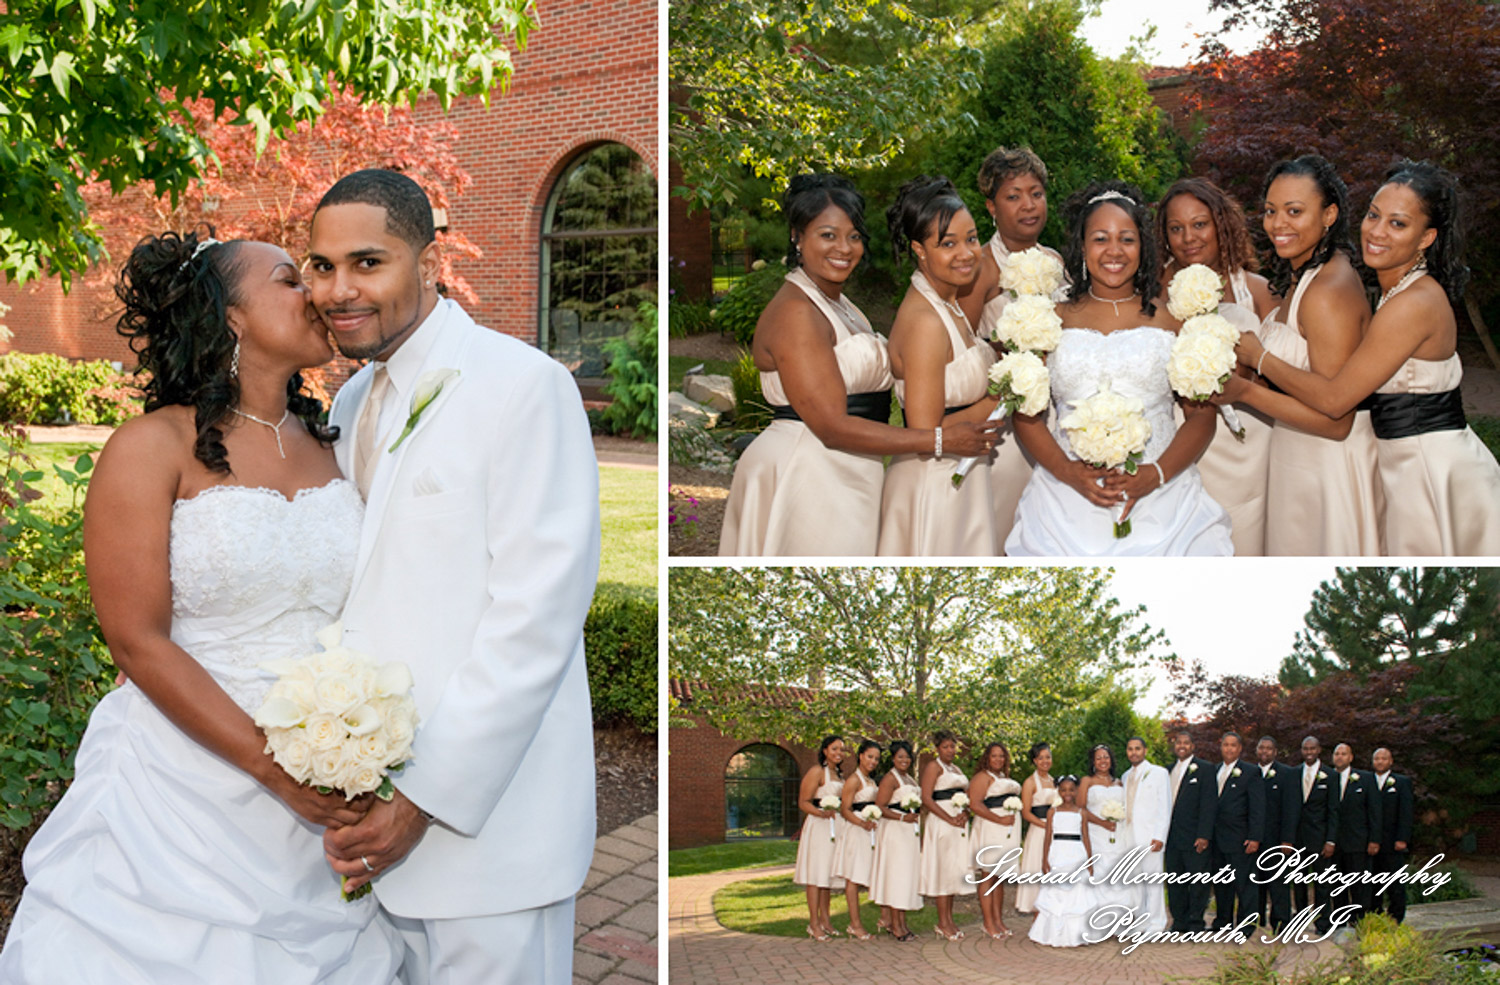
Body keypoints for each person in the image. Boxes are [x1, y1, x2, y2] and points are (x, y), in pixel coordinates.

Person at [0, 230, 404, 982]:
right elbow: (138, 643)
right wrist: (278, 771)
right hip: (180, 789)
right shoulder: (150, 447)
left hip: (330, 771)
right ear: (232, 316)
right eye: (292, 278)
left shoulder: (339, 445)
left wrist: (347, 752)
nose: (318, 290)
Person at [304, 171, 600, 985]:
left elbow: (536, 617)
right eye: (322, 267)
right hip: (365, 830)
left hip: (487, 833)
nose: (340, 289)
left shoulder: (523, 384)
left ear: (428, 263)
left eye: (368, 261)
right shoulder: (353, 396)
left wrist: (424, 797)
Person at [720, 174, 996, 556]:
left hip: (849, 470)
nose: (844, 248)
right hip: (807, 471)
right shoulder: (797, 312)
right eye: (828, 235)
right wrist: (938, 439)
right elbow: (832, 427)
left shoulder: (841, 305)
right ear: (798, 237)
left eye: (853, 236)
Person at [1233, 160, 1500, 555]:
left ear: (1426, 237)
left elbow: (1336, 400)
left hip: (1431, 471)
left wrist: (1259, 358)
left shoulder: (1413, 302)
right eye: (1374, 215)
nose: (1376, 231)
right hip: (1401, 466)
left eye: (1398, 224)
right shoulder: (1399, 293)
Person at [1006, 181, 1233, 556]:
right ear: (1082, 246)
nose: (1114, 251)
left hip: (1164, 497)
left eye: (1127, 239)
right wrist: (1070, 473)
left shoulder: (1172, 320)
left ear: (1143, 248)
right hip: (1065, 500)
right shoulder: (1046, 321)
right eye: (1100, 238)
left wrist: (1154, 475)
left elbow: (1201, 417)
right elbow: (1025, 415)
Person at [1219, 155, 1383, 556]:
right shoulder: (1305, 275)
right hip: (1298, 456)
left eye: (1294, 211)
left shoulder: (1328, 289)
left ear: (1329, 214)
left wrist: (1249, 381)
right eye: (1271, 211)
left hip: (1328, 467)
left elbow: (1336, 420)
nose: (1278, 224)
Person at [878, 176, 1012, 555]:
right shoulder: (925, 321)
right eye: (948, 243)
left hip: (962, 475)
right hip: (933, 483)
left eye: (971, 239)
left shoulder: (948, 303)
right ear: (920, 249)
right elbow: (924, 429)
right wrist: (1010, 391)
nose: (967, 253)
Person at [1156, 177, 1277, 556]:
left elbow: (1282, 370)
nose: (1188, 237)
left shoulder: (1256, 289)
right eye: (1176, 228)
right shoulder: (1151, 292)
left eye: (1199, 224)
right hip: (1183, 434)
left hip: (1250, 444)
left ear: (1221, 223)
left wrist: (1249, 371)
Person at [961, 146, 1061, 543]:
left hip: (1058, 410)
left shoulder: (1056, 260)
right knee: (1008, 521)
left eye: (1036, 193)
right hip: (1005, 419)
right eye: (1013, 196)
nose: (1028, 205)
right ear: (991, 206)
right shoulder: (980, 266)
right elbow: (961, 344)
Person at [1027, 776, 1097, 947]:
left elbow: (1086, 838)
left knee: (1076, 893)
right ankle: (1052, 934)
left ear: (1076, 791)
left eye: (1071, 790)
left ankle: (1076, 934)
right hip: (1057, 853)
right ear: (1059, 791)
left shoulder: (1082, 812)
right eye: (1064, 790)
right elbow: (1047, 837)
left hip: (1076, 853)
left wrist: (1090, 861)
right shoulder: (1053, 812)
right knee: (1056, 893)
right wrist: (1044, 859)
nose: (1067, 793)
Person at [920, 730, 974, 939]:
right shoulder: (934, 767)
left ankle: (950, 920)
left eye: (953, 746)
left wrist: (965, 813)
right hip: (942, 823)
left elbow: (968, 795)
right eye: (946, 747)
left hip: (958, 824)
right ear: (937, 749)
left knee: (953, 871)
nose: (950, 750)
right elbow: (926, 797)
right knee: (943, 871)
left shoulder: (957, 769)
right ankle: (942, 922)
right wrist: (948, 818)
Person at [793, 736, 848, 940]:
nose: (839, 753)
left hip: (837, 827)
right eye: (834, 749)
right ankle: (813, 924)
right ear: (825, 750)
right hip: (820, 826)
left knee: (827, 875)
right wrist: (820, 813)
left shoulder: (839, 775)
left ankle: (826, 920)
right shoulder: (817, 772)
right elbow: (803, 801)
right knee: (816, 876)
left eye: (842, 750)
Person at [1209, 731, 1264, 932]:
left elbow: (1258, 808)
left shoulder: (1251, 772)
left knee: (1244, 884)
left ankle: (1246, 926)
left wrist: (1255, 837)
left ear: (1240, 748)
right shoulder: (1213, 771)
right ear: (1220, 747)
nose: (1229, 749)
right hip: (1217, 839)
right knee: (1222, 884)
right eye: (1226, 745)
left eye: (1233, 745)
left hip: (1241, 839)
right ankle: (1222, 922)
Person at [870, 741, 923, 941]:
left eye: (907, 757)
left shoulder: (909, 778)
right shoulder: (890, 779)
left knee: (906, 877)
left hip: (909, 832)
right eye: (900, 756)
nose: (904, 760)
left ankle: (901, 922)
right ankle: (895, 925)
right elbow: (880, 806)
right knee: (896, 877)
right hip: (895, 831)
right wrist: (902, 817)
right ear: (893, 758)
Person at [968, 742, 1022, 938]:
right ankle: (988, 922)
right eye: (994, 756)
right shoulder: (982, 777)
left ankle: (998, 920)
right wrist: (999, 819)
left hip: (1005, 831)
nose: (998, 759)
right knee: (988, 874)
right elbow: (975, 804)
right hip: (991, 828)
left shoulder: (1002, 778)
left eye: (1002, 756)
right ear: (987, 758)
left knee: (999, 876)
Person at [1165, 730, 1217, 932]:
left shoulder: (1205, 769)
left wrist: (1204, 835)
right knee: (1175, 881)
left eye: (1186, 743)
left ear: (1192, 746)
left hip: (1195, 837)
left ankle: (1195, 922)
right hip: (1172, 838)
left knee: (1197, 882)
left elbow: (1209, 804)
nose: (1182, 746)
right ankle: (1179, 921)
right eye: (1178, 742)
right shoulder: (1167, 770)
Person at [833, 740, 883, 939]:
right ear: (860, 755)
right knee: (853, 877)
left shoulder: (870, 780)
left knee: (873, 873)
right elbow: (844, 809)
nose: (873, 761)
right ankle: (855, 924)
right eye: (870, 756)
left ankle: (885, 918)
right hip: (856, 831)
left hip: (870, 831)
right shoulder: (854, 780)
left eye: (876, 759)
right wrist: (862, 823)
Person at [1121, 736, 1171, 933]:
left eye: (1137, 748)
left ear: (1145, 750)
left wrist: (1160, 836)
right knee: (1136, 881)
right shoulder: (1125, 776)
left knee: (1153, 880)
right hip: (1129, 836)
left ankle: (1157, 923)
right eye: (1130, 749)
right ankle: (1141, 920)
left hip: (1151, 837)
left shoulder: (1158, 773)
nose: (1134, 752)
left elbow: (1164, 806)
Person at [1330, 742, 1382, 929]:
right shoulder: (1327, 778)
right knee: (1337, 883)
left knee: (1360, 883)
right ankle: (1340, 919)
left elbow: (1375, 811)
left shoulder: (1366, 779)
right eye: (1337, 753)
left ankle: (1360, 919)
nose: (1340, 757)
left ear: (1351, 757)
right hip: (1334, 843)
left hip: (1359, 842)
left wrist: (1374, 839)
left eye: (1344, 754)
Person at [1253, 736, 1301, 932]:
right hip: (1254, 840)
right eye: (1261, 747)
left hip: (1277, 840)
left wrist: (1287, 839)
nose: (1265, 751)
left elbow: (1291, 809)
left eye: (1269, 748)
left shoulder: (1286, 774)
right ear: (1257, 750)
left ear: (1275, 752)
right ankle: (1257, 922)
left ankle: (1281, 923)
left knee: (1278, 883)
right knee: (1255, 884)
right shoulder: (1250, 772)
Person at [1077, 744, 1133, 913]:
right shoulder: (1087, 781)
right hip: (1096, 834)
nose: (1103, 761)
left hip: (1118, 833)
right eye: (1099, 758)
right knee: (1100, 872)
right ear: (1093, 762)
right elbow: (1080, 809)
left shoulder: (1120, 782)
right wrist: (1102, 823)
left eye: (1106, 757)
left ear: (1111, 760)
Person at [1293, 736, 1340, 933]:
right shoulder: (1293, 773)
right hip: (1297, 838)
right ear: (1302, 750)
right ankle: (1301, 921)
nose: (1309, 752)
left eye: (1313, 748)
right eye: (1305, 749)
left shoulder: (1330, 775)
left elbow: (1334, 811)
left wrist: (1330, 840)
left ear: (1319, 749)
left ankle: (1323, 923)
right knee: (1299, 881)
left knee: (1322, 882)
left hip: (1320, 838)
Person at [1371, 747, 1414, 923]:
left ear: (1390, 761)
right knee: (1373, 881)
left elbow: (1406, 812)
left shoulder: (1401, 782)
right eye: (1377, 759)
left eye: (1384, 758)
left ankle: (1396, 916)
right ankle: (1375, 913)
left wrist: (1402, 838)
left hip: (1393, 841)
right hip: (1372, 842)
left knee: (1394, 881)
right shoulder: (1367, 781)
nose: (1380, 762)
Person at [1015, 741, 1058, 914]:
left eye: (1048, 757)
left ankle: (1049, 915)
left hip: (1055, 833)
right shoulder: (1029, 783)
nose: (1045, 761)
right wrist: (1045, 826)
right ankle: (1035, 916)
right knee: (1036, 871)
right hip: (1039, 831)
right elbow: (1026, 813)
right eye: (1041, 758)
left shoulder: (1055, 781)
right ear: (1034, 761)